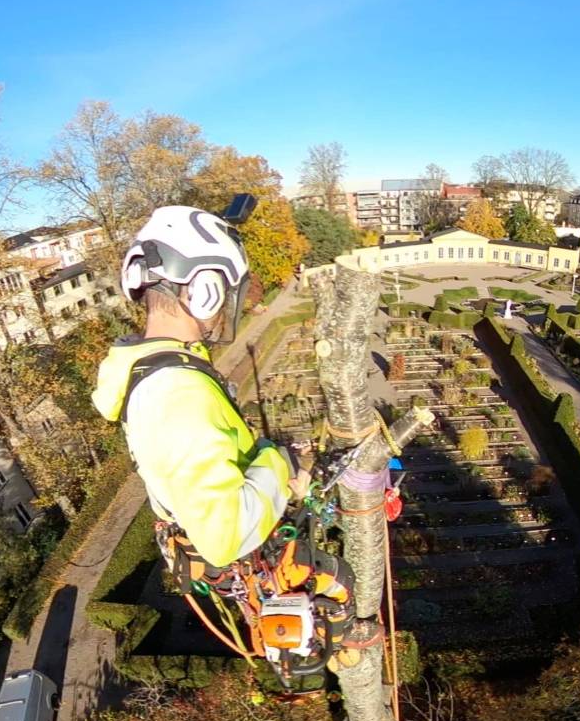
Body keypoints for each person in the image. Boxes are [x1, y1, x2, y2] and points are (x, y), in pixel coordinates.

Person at [91, 205, 378, 655]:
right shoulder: (176, 392)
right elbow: (226, 534)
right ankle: (342, 642)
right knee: (338, 583)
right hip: (239, 555)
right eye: (225, 293)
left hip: (215, 551)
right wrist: (280, 462)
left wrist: (268, 456)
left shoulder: (150, 370)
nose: (229, 307)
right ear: (203, 290)